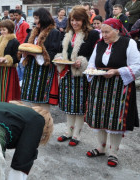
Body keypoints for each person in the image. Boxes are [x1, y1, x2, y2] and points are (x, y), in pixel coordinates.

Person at [85, 18, 140, 167]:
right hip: (99, 85)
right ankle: (101, 147)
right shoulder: (99, 44)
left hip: (119, 86)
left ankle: (113, 153)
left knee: (115, 119)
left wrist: (117, 71)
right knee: (99, 117)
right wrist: (91, 71)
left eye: (107, 32)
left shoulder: (129, 43)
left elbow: (137, 66)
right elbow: (92, 62)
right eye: (102, 32)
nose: (104, 35)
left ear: (116, 31)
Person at [54, 6, 99, 146]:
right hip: (67, 73)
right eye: (72, 20)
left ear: (84, 20)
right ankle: (68, 131)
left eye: (78, 20)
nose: (74, 23)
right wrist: (61, 58)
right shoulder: (68, 33)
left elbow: (95, 55)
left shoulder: (92, 34)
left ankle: (77, 134)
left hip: (81, 75)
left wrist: (83, 61)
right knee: (68, 104)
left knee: (79, 106)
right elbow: (63, 51)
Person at [20, 8, 61, 111]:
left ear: (43, 18)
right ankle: (36, 123)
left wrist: (36, 55)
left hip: (44, 69)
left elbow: (53, 52)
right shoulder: (33, 32)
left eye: (37, 18)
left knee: (43, 104)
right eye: (34, 18)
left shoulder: (53, 32)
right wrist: (24, 53)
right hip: (31, 68)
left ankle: (45, 124)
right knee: (32, 103)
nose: (35, 21)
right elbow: (25, 45)